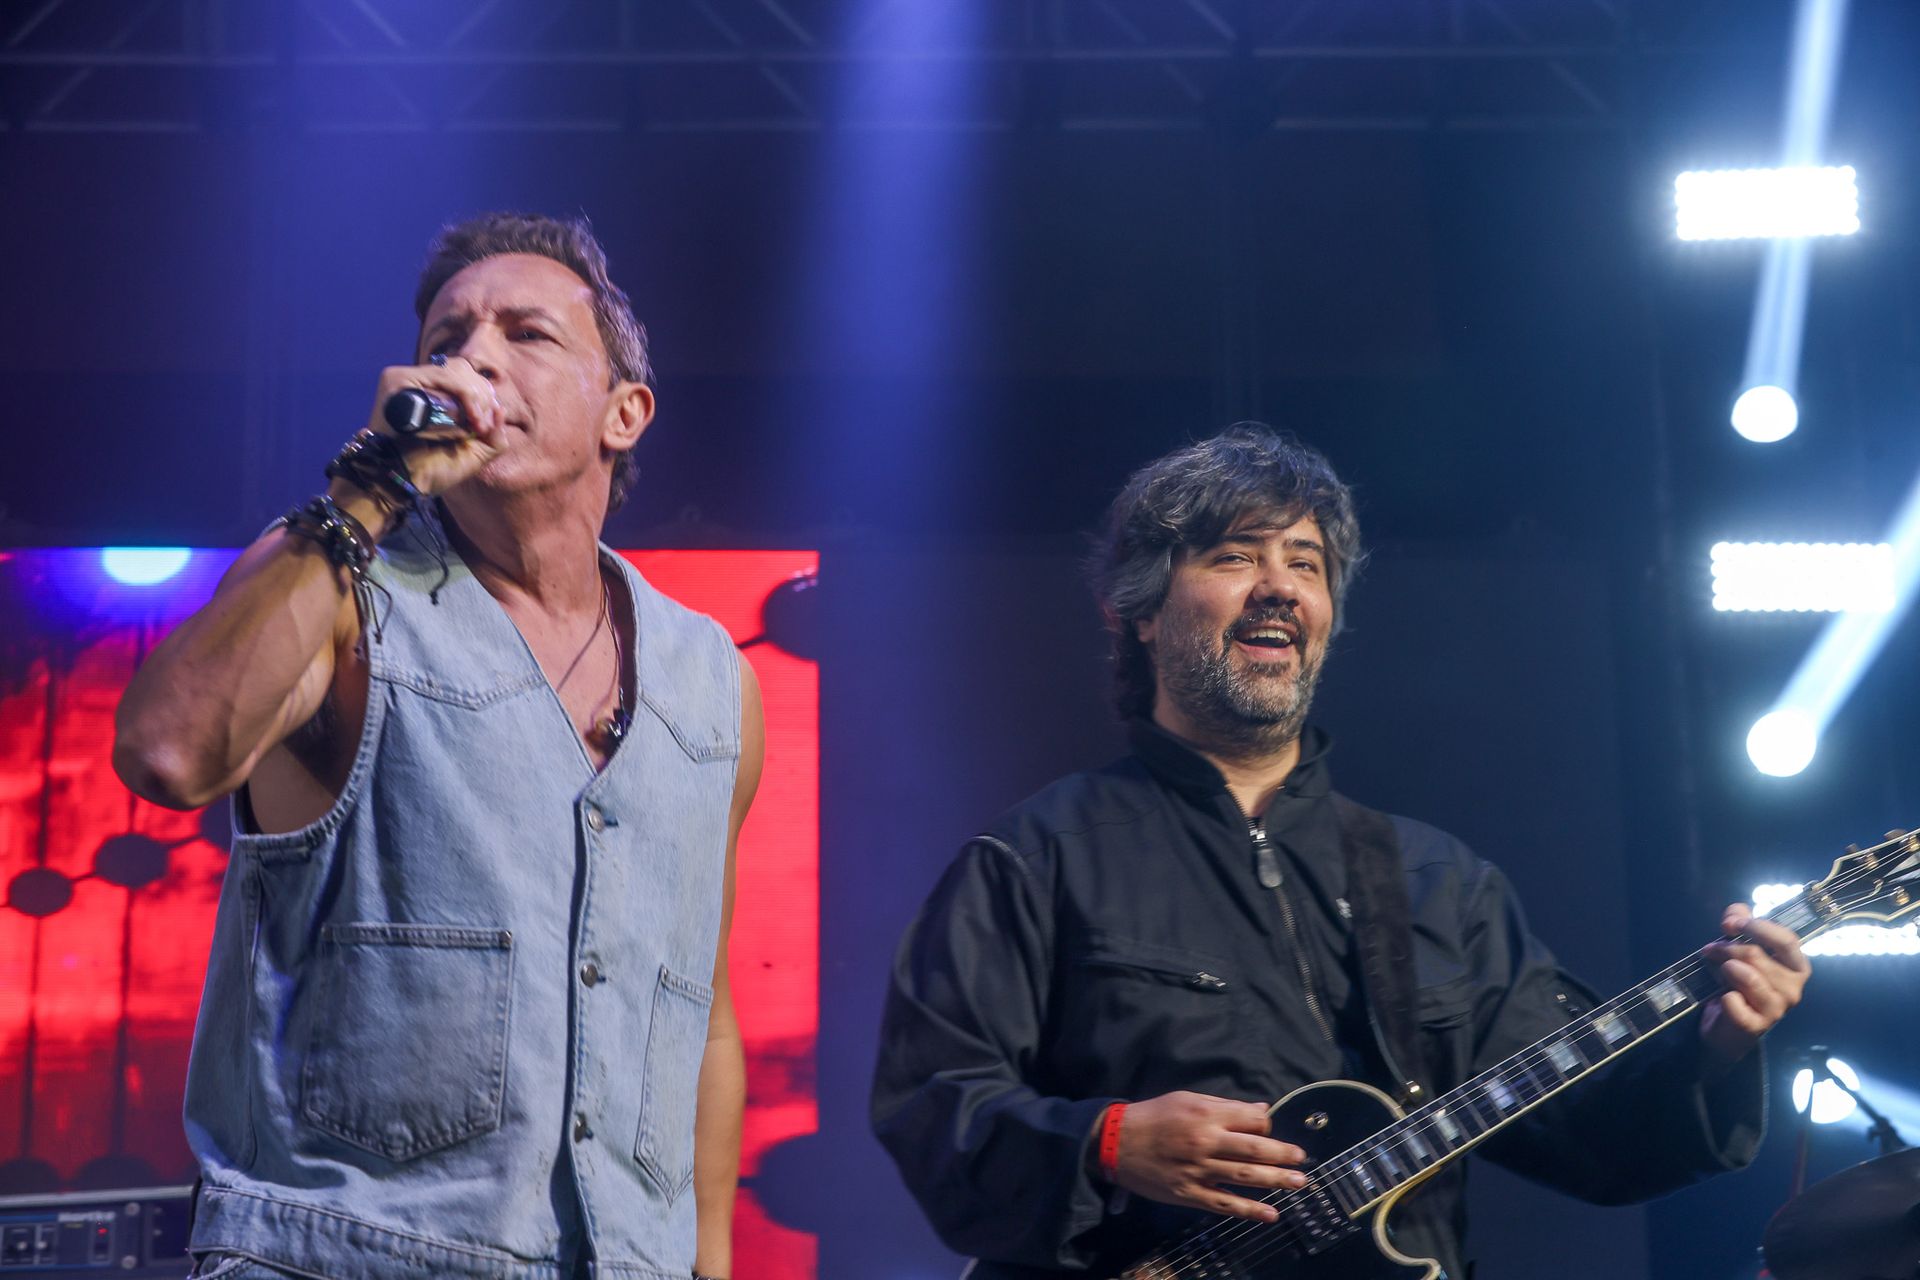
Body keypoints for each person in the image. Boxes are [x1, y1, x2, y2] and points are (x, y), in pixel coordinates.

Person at [870, 426, 1809, 1279]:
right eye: (1236, 556)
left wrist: (1721, 1039)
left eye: (1306, 563)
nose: (1279, 585)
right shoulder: (1035, 857)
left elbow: (1595, 1143)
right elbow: (933, 1112)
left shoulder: (1438, 882)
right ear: (1144, 612)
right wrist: (1105, 1144)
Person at [114, 212, 759, 1280]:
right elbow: (167, 753)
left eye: (527, 333)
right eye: (449, 334)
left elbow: (702, 1013)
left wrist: (708, 1260)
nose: (474, 358)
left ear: (625, 412)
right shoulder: (333, 577)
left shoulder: (713, 681)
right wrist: (368, 485)